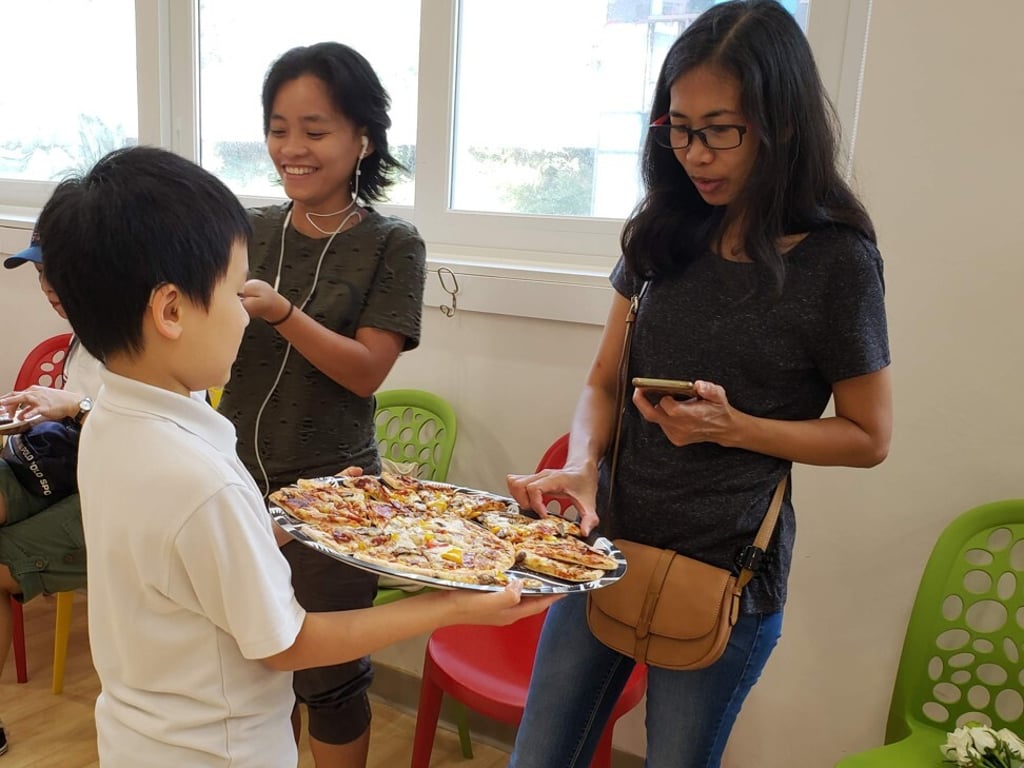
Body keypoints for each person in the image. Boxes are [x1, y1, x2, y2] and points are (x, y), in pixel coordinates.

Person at [37, 145, 555, 767]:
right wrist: (449, 604)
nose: (243, 315)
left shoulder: (111, 419)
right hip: (220, 751)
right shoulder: (198, 480)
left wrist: (302, 517)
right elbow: (288, 643)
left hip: (139, 738)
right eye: (234, 294)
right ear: (171, 310)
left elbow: (187, 567)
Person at [505, 2, 892, 766]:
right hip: (606, 545)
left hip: (727, 574)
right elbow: (603, 383)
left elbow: (869, 437)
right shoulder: (664, 226)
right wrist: (584, 464)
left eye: (721, 130)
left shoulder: (836, 261)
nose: (696, 154)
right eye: (679, 128)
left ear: (780, 123)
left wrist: (735, 428)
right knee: (537, 757)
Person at [216, 42, 425, 768]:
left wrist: (280, 314)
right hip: (236, 481)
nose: (291, 148)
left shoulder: (393, 243)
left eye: (315, 128)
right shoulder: (250, 229)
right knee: (251, 664)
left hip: (336, 499)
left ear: (362, 137)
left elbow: (367, 371)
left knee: (328, 677)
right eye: (279, 128)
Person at [0, 228, 96, 757]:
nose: (48, 286)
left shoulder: (145, 333)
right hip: (63, 468)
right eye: (40, 274)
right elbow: (78, 416)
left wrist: (75, 408)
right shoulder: (83, 333)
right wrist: (36, 409)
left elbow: (160, 438)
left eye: (58, 273)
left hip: (113, 492)